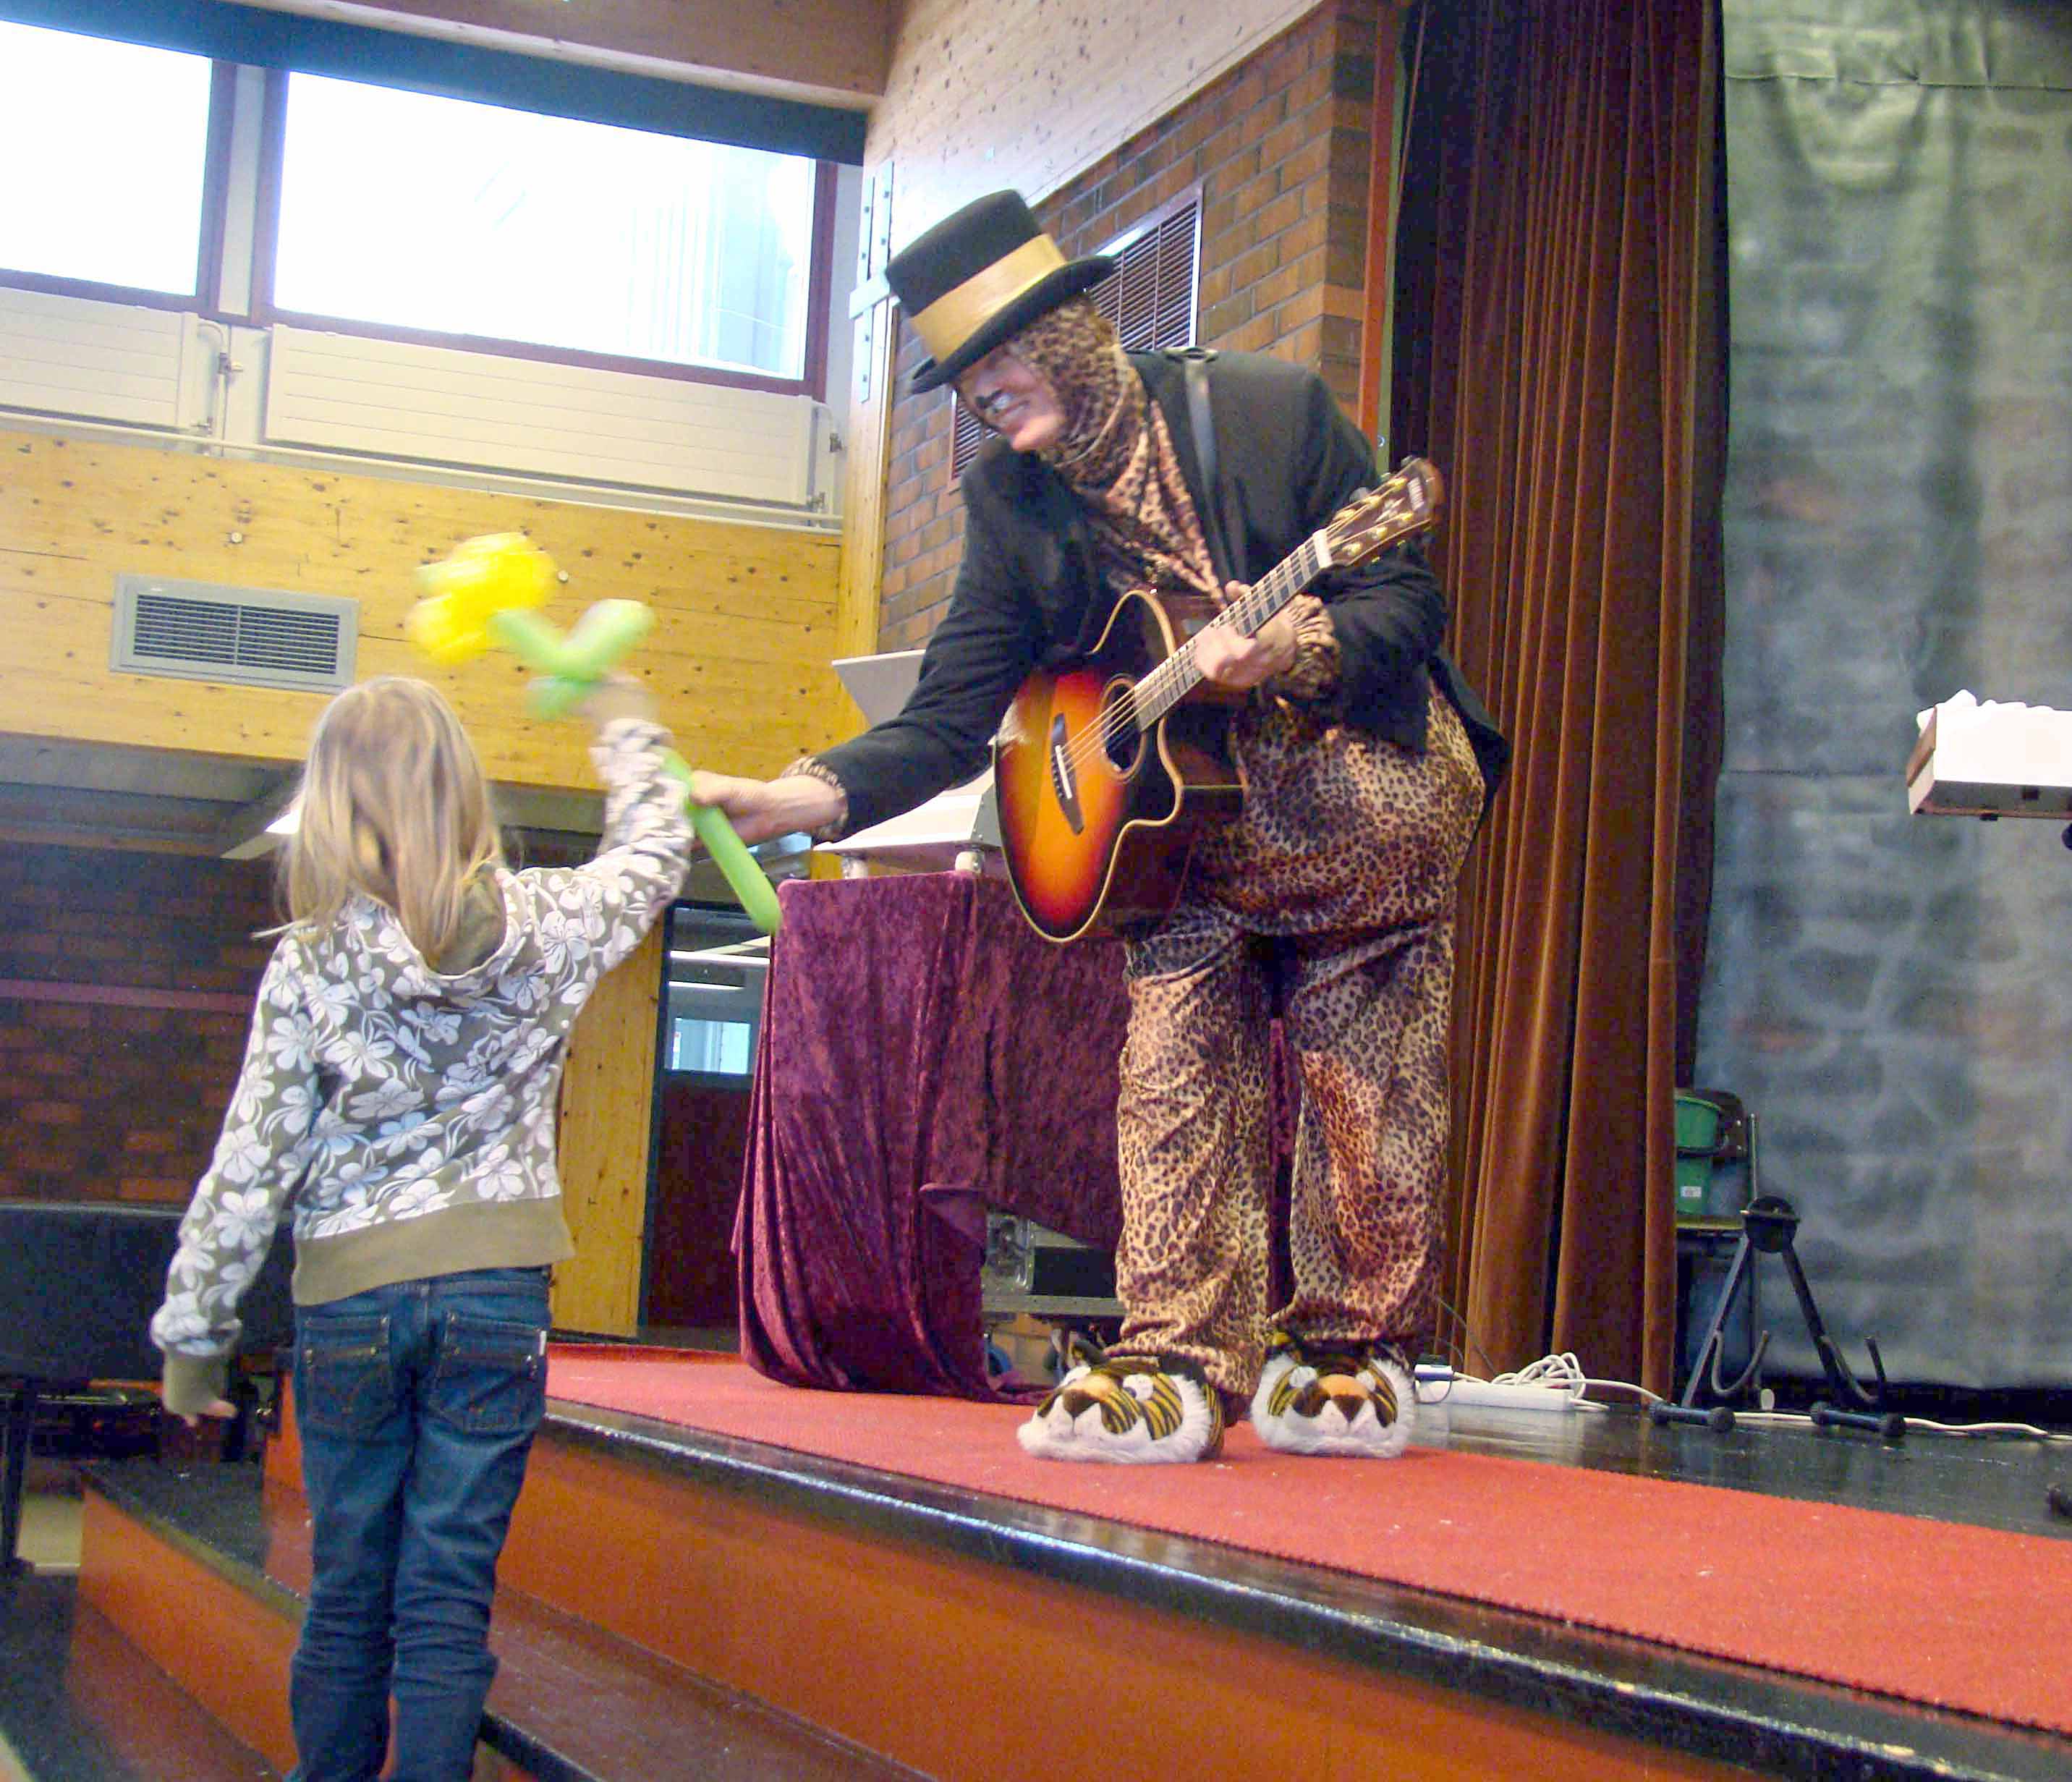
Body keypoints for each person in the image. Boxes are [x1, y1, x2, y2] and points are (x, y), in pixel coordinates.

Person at [698, 190, 1506, 1467]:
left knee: (1366, 1080)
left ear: (1070, 329)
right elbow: (954, 713)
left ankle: (1349, 1347)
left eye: (998, 359)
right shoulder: (1010, 503)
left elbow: (1403, 601)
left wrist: (1291, 647)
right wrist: (805, 797)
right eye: (964, 379)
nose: (984, 396)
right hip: (1177, 835)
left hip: (1356, 800)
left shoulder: (1267, 411)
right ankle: (1173, 1358)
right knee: (1170, 1077)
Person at [150, 674, 692, 1782]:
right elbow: (653, 855)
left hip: (349, 1303)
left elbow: (252, 1162)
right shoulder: (549, 919)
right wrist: (626, 729)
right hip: (495, 1295)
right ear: (460, 787)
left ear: (334, 803)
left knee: (350, 1585)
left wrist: (194, 1339)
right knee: (447, 1595)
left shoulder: (312, 957)